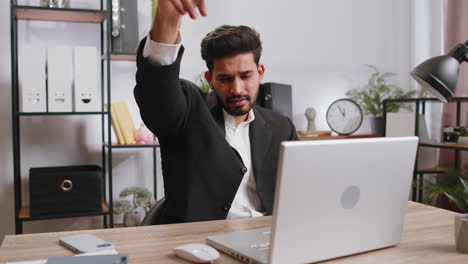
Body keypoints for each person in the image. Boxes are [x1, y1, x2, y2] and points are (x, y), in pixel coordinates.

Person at [134, 0, 298, 224]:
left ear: (260, 72)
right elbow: (159, 96)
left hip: (268, 235)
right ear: (210, 79)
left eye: (246, 76)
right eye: (225, 78)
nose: (237, 89)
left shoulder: (282, 127)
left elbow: (299, 191)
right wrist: (167, 21)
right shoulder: (189, 111)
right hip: (201, 241)